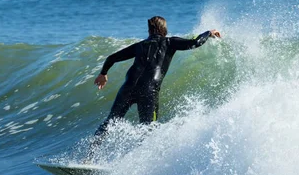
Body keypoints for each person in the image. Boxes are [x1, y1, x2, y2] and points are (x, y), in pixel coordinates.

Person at [92, 16, 221, 142]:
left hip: (128, 88)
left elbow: (111, 58)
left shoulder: (139, 46)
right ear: (165, 30)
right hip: (148, 92)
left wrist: (103, 74)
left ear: (149, 31)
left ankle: (89, 157)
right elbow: (195, 42)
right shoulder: (170, 42)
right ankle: (143, 161)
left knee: (110, 122)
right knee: (148, 131)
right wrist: (208, 33)